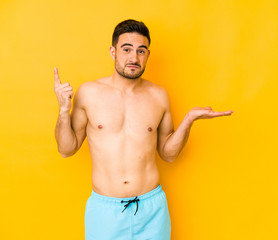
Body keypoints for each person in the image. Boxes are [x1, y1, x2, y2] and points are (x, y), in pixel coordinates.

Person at [54, 19, 233, 240]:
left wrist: (189, 120)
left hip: (152, 210)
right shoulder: (89, 93)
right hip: (105, 211)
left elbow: (168, 155)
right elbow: (66, 149)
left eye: (141, 51)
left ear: (147, 55)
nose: (134, 58)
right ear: (113, 52)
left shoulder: (158, 95)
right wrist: (63, 111)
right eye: (126, 49)